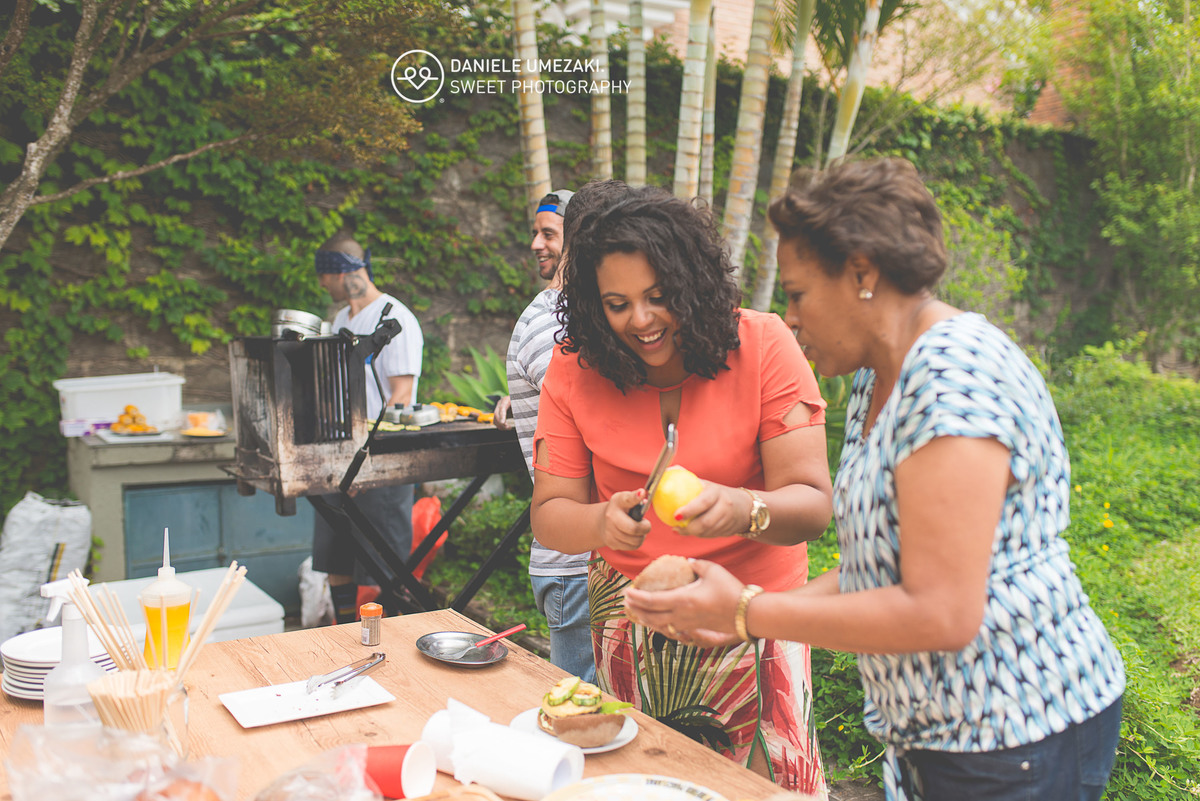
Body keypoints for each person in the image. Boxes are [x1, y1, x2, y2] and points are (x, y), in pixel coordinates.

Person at [625, 158, 1126, 801]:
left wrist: (748, 612)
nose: (790, 317)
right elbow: (880, 567)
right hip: (936, 734)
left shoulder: (953, 378)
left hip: (1017, 732)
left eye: (799, 293)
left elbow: (941, 612)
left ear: (862, 274)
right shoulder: (877, 373)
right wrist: (742, 616)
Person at [529, 186, 832, 795]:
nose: (640, 320)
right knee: (644, 780)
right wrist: (601, 523)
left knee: (764, 788)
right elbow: (550, 514)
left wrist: (744, 508)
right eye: (617, 304)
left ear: (692, 284)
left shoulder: (764, 345)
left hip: (751, 611)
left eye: (659, 296)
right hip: (633, 615)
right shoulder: (574, 366)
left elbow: (812, 505)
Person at [312, 233, 424, 624]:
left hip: (380, 458)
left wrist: (365, 462)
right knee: (335, 554)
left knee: (382, 563)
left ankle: (385, 635)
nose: (321, 284)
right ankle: (343, 629)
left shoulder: (395, 318)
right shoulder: (341, 320)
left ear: (340, 272)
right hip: (340, 453)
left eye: (324, 275)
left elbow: (401, 395)